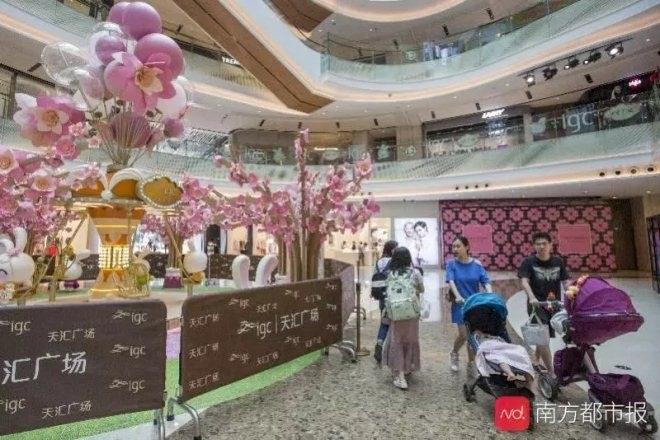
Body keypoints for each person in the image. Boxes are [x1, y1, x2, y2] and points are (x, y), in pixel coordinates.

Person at [518, 231, 569, 376]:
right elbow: (524, 281)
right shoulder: (528, 262)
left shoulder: (558, 262)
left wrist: (571, 294)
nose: (541, 246)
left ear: (550, 245)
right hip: (537, 305)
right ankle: (552, 373)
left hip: (554, 305)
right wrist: (531, 297)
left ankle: (535, 360)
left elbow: (565, 281)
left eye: (544, 243)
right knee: (543, 338)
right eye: (538, 244)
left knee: (544, 336)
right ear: (534, 246)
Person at [446, 236, 492, 374]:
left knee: (473, 335)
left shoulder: (477, 264)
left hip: (474, 304)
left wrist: (489, 294)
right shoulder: (451, 264)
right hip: (460, 304)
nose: (455, 249)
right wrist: (458, 296)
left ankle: (471, 363)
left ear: (467, 247)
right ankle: (454, 352)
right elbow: (451, 281)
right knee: (464, 334)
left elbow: (485, 281)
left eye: (458, 246)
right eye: (453, 246)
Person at [382, 246, 424, 390]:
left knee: (397, 342)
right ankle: (408, 367)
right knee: (410, 340)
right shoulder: (415, 273)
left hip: (396, 313)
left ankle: (399, 376)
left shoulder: (390, 274)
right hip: (412, 313)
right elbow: (422, 289)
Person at [371, 240, 398, 364]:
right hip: (392, 295)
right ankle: (393, 350)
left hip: (381, 296)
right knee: (395, 323)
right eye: (396, 248)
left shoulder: (379, 261)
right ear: (392, 249)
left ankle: (379, 344)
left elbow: (374, 276)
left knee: (384, 321)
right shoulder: (393, 261)